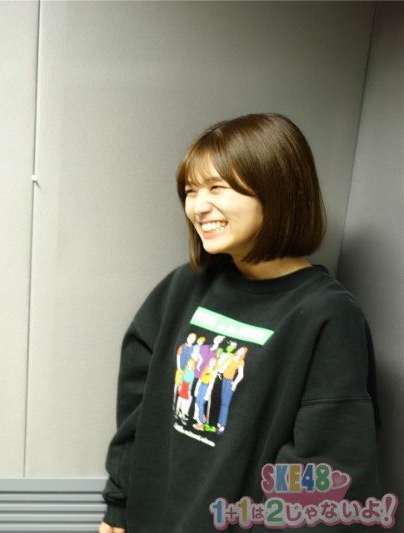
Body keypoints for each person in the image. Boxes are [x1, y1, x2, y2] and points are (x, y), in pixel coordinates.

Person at [99, 113, 380, 532]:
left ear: (276, 191)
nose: (198, 206)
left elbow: (324, 471)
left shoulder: (327, 315)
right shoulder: (184, 288)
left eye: (217, 188)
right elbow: (135, 410)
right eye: (191, 190)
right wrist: (118, 508)